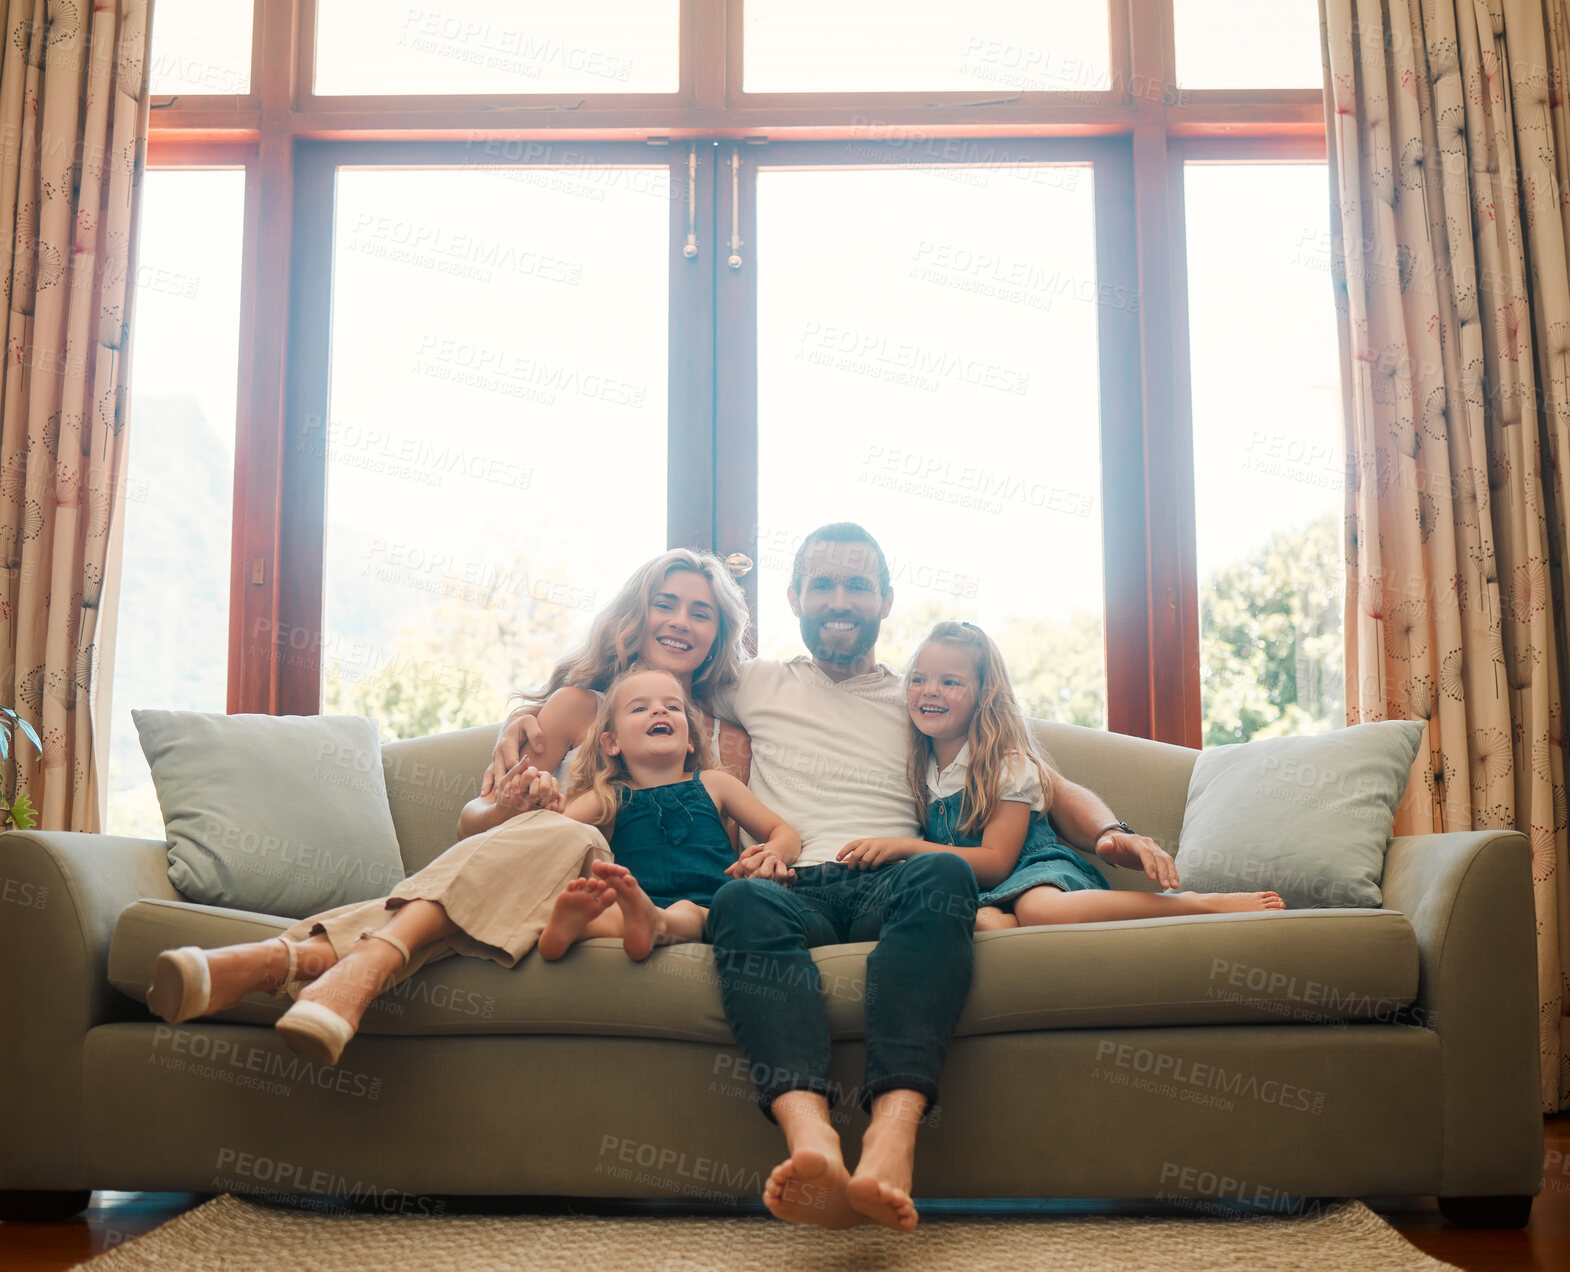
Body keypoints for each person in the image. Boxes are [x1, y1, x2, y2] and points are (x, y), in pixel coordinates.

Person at [500, 524, 974, 1234]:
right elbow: (633, 680)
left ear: (885, 600)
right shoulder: (753, 681)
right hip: (789, 885)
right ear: (794, 598)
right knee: (741, 898)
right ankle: (810, 1137)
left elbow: (1022, 761)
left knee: (942, 870)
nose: (839, 600)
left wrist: (1113, 832)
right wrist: (523, 715)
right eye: (822, 584)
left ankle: (890, 1134)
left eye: (856, 585)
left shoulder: (922, 696)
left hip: (892, 879)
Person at [144, 551, 759, 1063]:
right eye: (666, 603)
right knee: (563, 835)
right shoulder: (578, 705)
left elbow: (728, 846)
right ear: (636, 614)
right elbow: (476, 826)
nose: (681, 621)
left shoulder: (727, 733)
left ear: (718, 635)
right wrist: (513, 804)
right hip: (537, 867)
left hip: (604, 894)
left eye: (701, 613)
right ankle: (339, 972)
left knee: (559, 848)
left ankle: (287, 958)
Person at [835, 620, 1286, 925]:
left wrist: (903, 848)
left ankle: (1192, 905)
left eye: (950, 682)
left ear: (984, 695)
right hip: (976, 890)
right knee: (982, 924)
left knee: (1037, 910)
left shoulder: (1006, 764)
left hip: (1032, 872)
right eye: (918, 678)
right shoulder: (923, 763)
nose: (929, 691)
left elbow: (996, 863)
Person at [535, 666, 800, 961]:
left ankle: (655, 924)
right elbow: (554, 835)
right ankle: (570, 930)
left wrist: (773, 853)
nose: (659, 711)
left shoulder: (716, 783)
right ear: (612, 743)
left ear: (690, 740)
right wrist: (546, 804)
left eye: (672, 706)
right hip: (634, 901)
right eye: (639, 708)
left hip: (712, 905)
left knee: (686, 912)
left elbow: (785, 832)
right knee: (611, 913)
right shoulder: (606, 795)